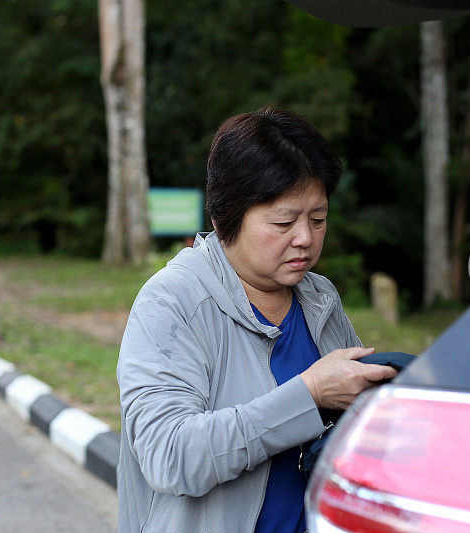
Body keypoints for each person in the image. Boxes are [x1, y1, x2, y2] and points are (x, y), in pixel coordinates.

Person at [116, 105, 397, 533]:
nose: (305, 238)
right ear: (225, 217)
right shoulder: (172, 302)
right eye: (284, 221)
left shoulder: (319, 299)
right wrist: (309, 395)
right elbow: (168, 456)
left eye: (318, 219)